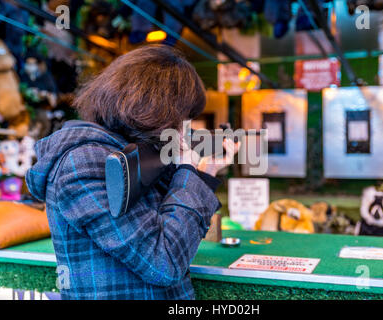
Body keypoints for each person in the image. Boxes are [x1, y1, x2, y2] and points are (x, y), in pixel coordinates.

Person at [26, 45, 239, 300]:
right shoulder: (84, 164)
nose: (187, 126)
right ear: (156, 109)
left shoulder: (135, 154)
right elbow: (164, 263)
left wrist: (205, 172)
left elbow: (176, 234)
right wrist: (187, 171)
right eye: (183, 116)